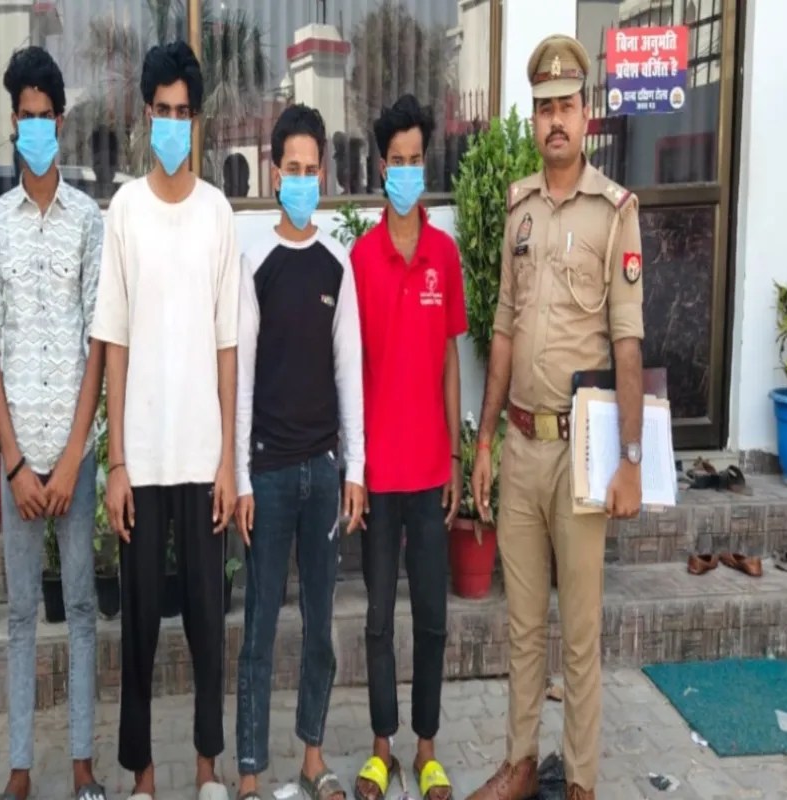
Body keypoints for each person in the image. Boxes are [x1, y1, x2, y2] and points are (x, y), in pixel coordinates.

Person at [467, 35, 643, 800]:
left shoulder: (615, 213)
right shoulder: (520, 211)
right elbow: (503, 331)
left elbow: (628, 342)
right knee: (521, 626)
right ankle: (517, 765)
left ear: (586, 114)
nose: (555, 121)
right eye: (543, 108)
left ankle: (579, 782)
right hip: (522, 445)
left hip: (582, 453)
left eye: (566, 105)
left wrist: (630, 458)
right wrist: (483, 442)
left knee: (579, 633)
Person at [90, 40, 239, 800]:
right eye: (163, 111)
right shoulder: (125, 212)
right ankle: (143, 777)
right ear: (145, 115)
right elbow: (112, 344)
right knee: (140, 626)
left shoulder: (218, 214)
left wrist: (228, 462)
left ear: (197, 120)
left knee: (209, 624)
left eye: (185, 112)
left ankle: (208, 770)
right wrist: (116, 462)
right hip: (143, 462)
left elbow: (227, 345)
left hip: (202, 457)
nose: (173, 124)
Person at [0, 46, 107, 800]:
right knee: (21, 614)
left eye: (45, 116)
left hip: (75, 458)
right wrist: (17, 464)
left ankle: (83, 766)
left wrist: (72, 456)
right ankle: (21, 771)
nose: (34, 128)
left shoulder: (89, 220)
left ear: (61, 122)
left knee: (82, 608)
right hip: (21, 461)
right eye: (23, 117)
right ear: (13, 122)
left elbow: (98, 341)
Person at [233, 104, 366, 800]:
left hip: (323, 472)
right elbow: (241, 377)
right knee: (258, 628)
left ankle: (313, 757)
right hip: (269, 474)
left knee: (320, 627)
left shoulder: (338, 265)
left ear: (324, 175)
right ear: (274, 172)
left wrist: (356, 471)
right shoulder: (253, 262)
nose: (303, 180)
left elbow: (350, 374)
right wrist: (241, 477)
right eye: (293, 168)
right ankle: (250, 772)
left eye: (313, 170)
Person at [348, 94, 465, 800]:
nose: (407, 170)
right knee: (377, 619)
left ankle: (426, 750)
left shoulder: (443, 255)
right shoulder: (360, 260)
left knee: (431, 617)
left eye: (417, 159)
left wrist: (454, 456)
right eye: (396, 160)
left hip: (427, 470)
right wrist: (354, 469)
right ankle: (380, 748)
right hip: (378, 473)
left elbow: (452, 360)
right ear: (380, 166)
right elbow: (350, 370)